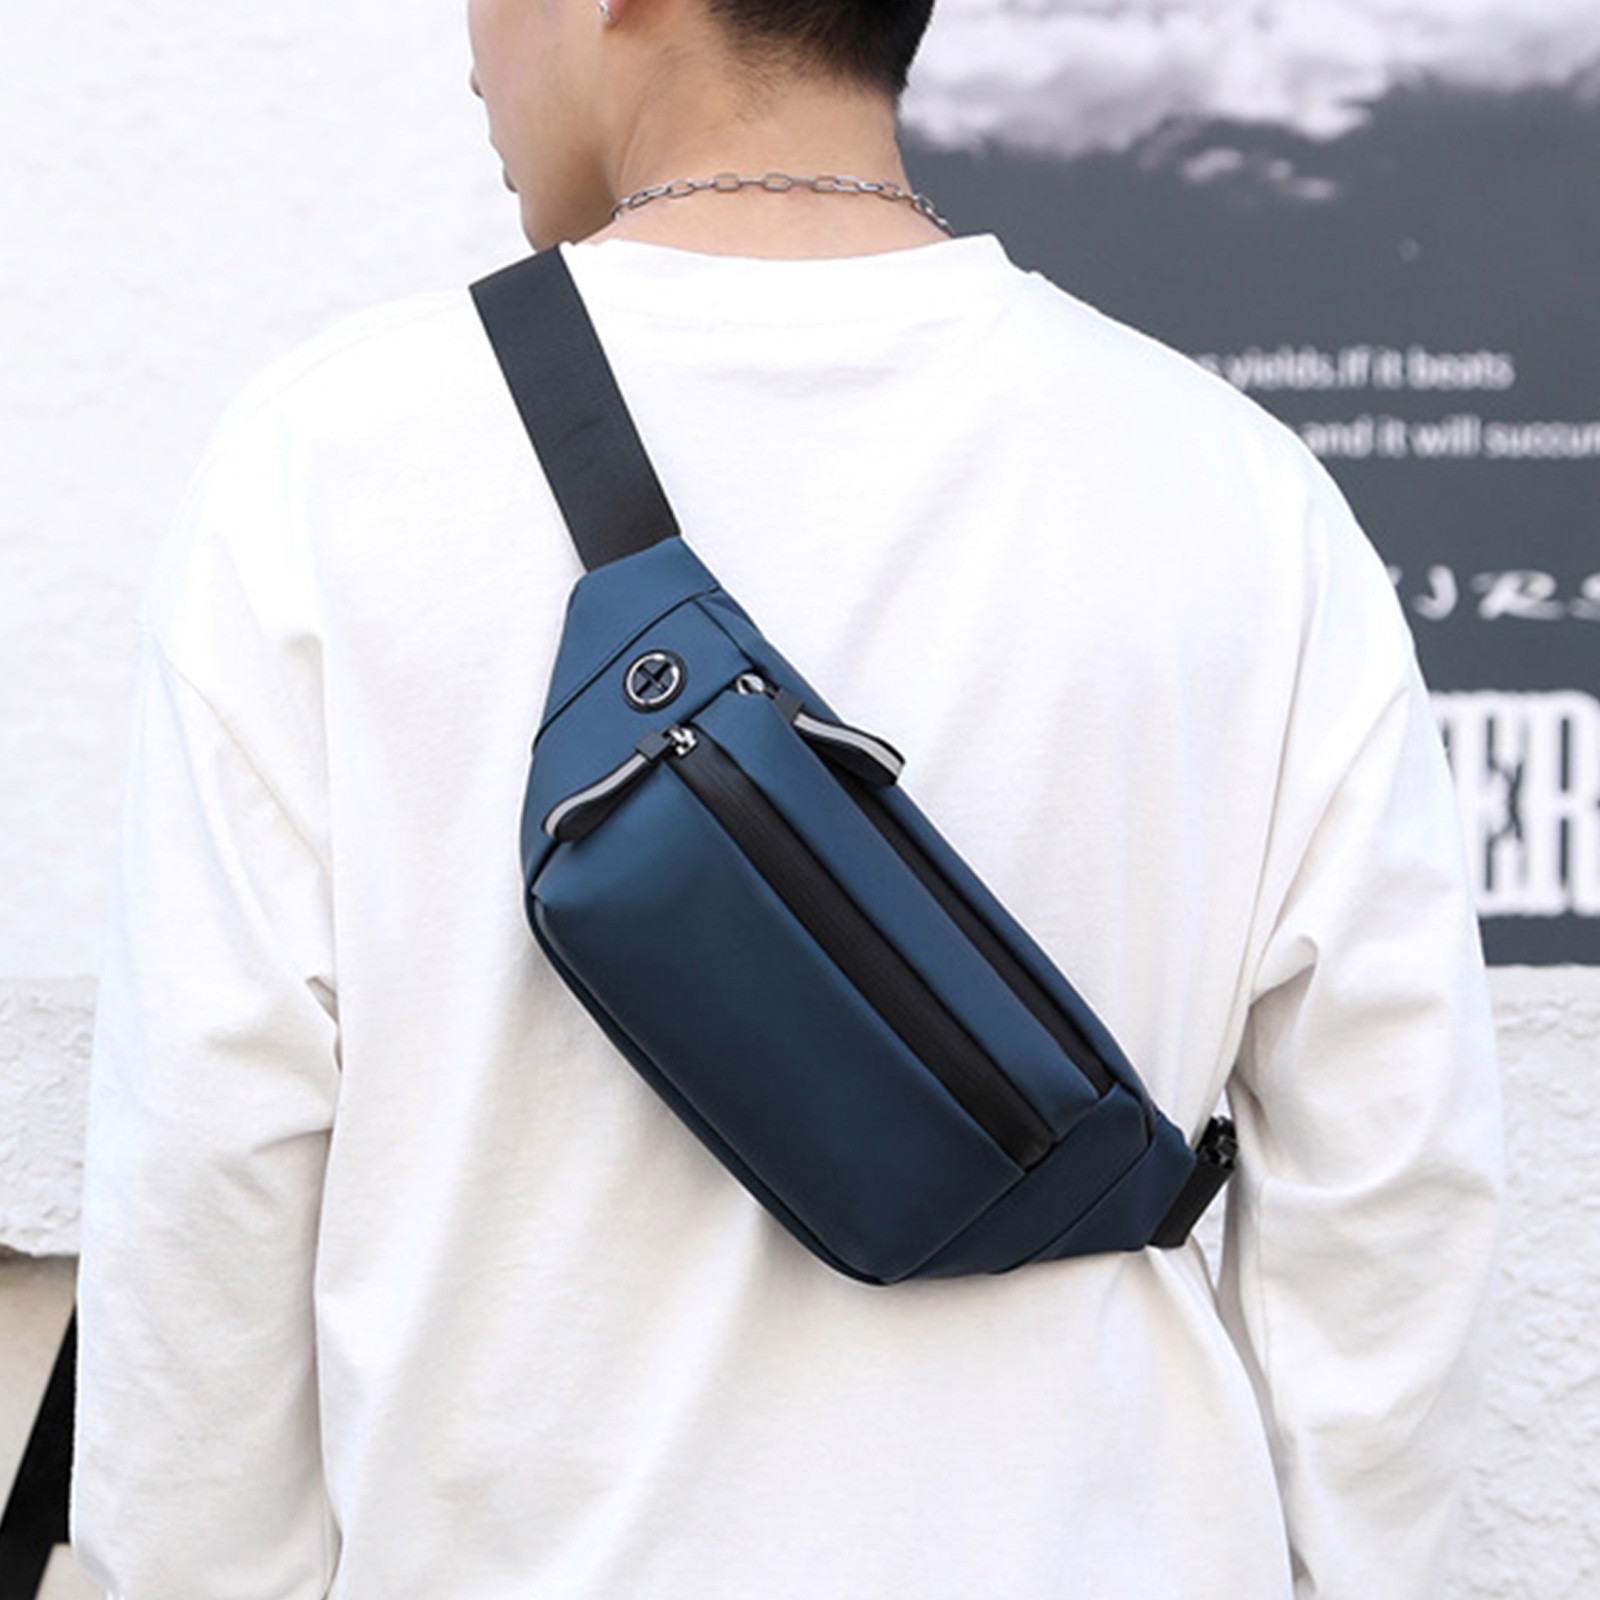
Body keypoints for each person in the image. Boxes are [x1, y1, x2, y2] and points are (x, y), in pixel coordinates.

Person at [72, 1, 1502, 1596]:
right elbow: (1392, 1194)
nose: (468, 48)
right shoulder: (1242, 498)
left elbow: (205, 1185)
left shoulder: (319, 473)